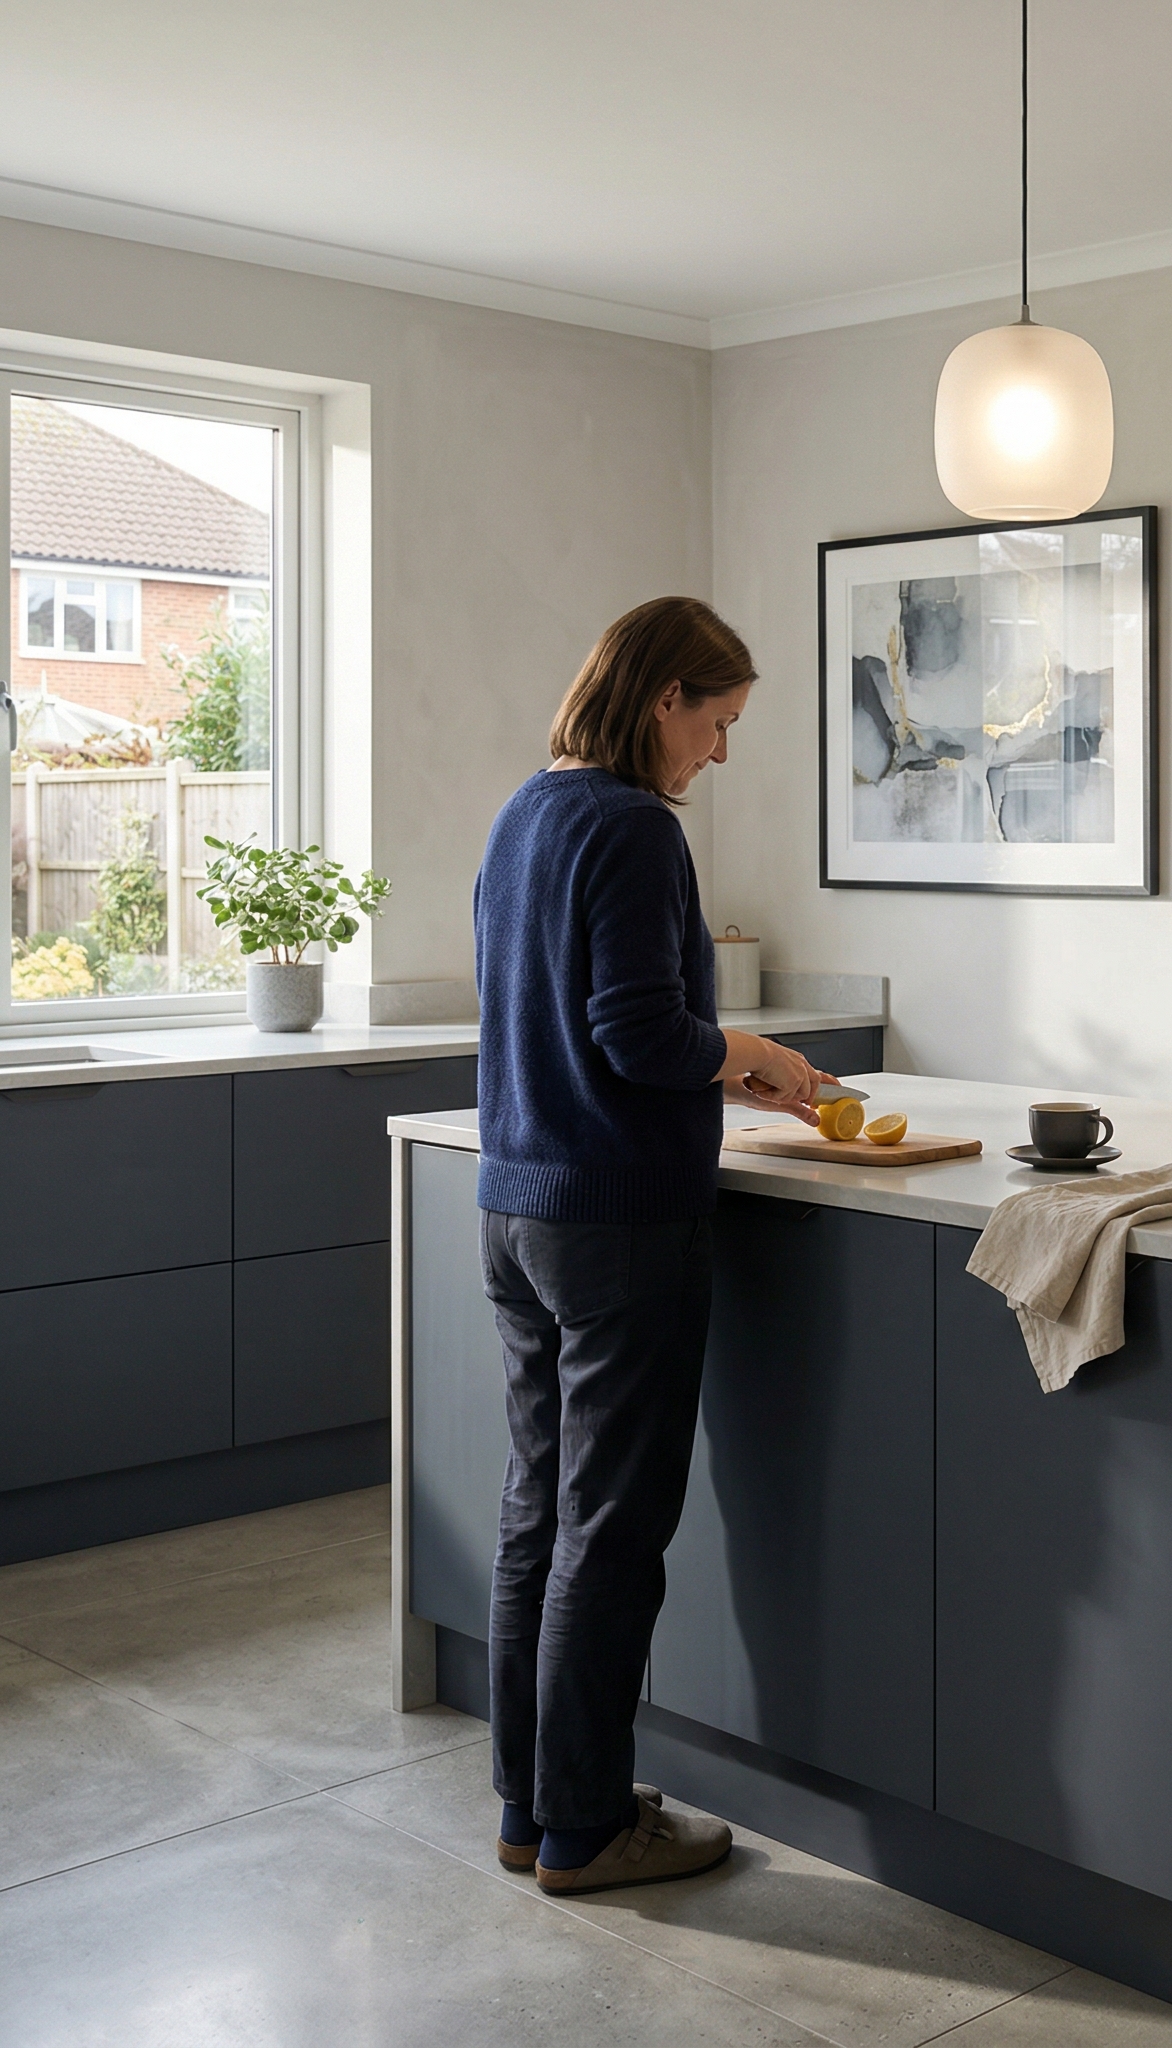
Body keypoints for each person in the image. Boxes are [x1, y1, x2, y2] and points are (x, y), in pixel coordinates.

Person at [472, 596, 826, 1894]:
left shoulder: (525, 813)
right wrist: (747, 1050)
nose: (719, 752)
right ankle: (588, 1828)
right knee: (610, 1531)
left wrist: (720, 1071)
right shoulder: (632, 826)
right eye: (717, 722)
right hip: (617, 1223)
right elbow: (636, 1032)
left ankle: (530, 1808)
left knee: (538, 1514)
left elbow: (571, 1026)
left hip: (519, 1207)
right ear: (665, 696)